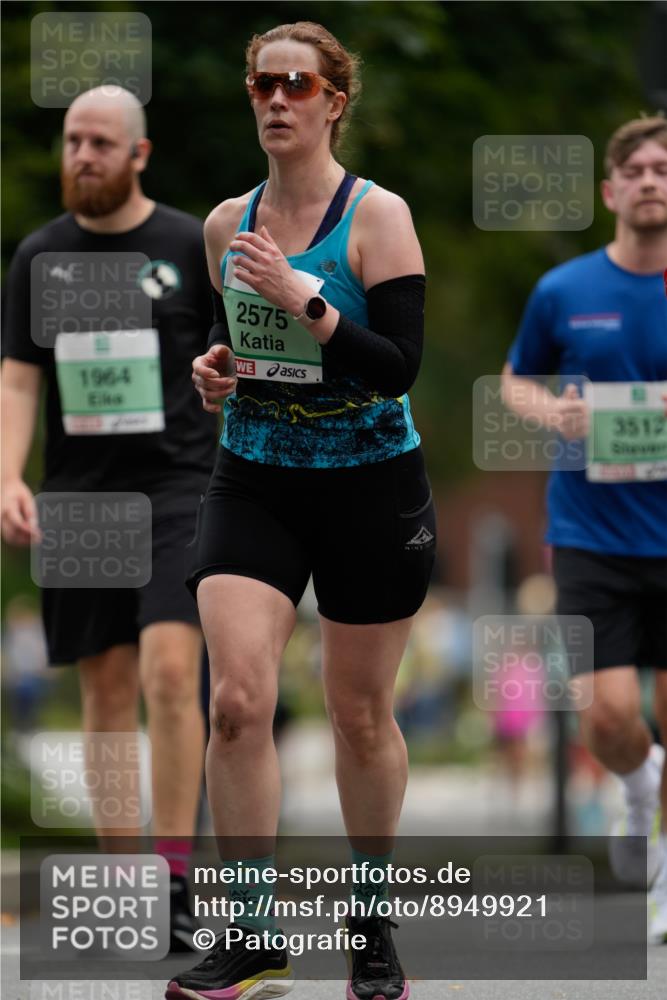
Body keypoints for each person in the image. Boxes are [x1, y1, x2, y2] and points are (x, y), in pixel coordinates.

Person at [167, 20, 435, 1000]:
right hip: (256, 480)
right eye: (262, 85)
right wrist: (213, 372)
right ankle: (251, 932)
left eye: (298, 85)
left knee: (360, 715)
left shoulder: (378, 217)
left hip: (371, 485)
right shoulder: (222, 222)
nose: (277, 100)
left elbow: (399, 366)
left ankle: (370, 926)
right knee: (236, 704)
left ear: (333, 100)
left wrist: (309, 297)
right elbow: (232, 340)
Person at [1, 86, 218, 952]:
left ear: (139, 154)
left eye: (100, 142)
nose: (81, 155)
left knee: (171, 671)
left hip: (179, 484)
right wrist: (7, 475)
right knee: (104, 689)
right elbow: (19, 377)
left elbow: (231, 353)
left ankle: (175, 876)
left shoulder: (185, 241)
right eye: (72, 140)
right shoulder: (39, 258)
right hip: (80, 495)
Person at [501, 116, 667, 942]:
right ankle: (638, 788)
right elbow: (512, 382)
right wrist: (552, 413)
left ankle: (663, 875)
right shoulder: (563, 290)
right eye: (632, 170)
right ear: (609, 192)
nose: (647, 180)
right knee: (606, 716)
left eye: (661, 169)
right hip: (590, 533)